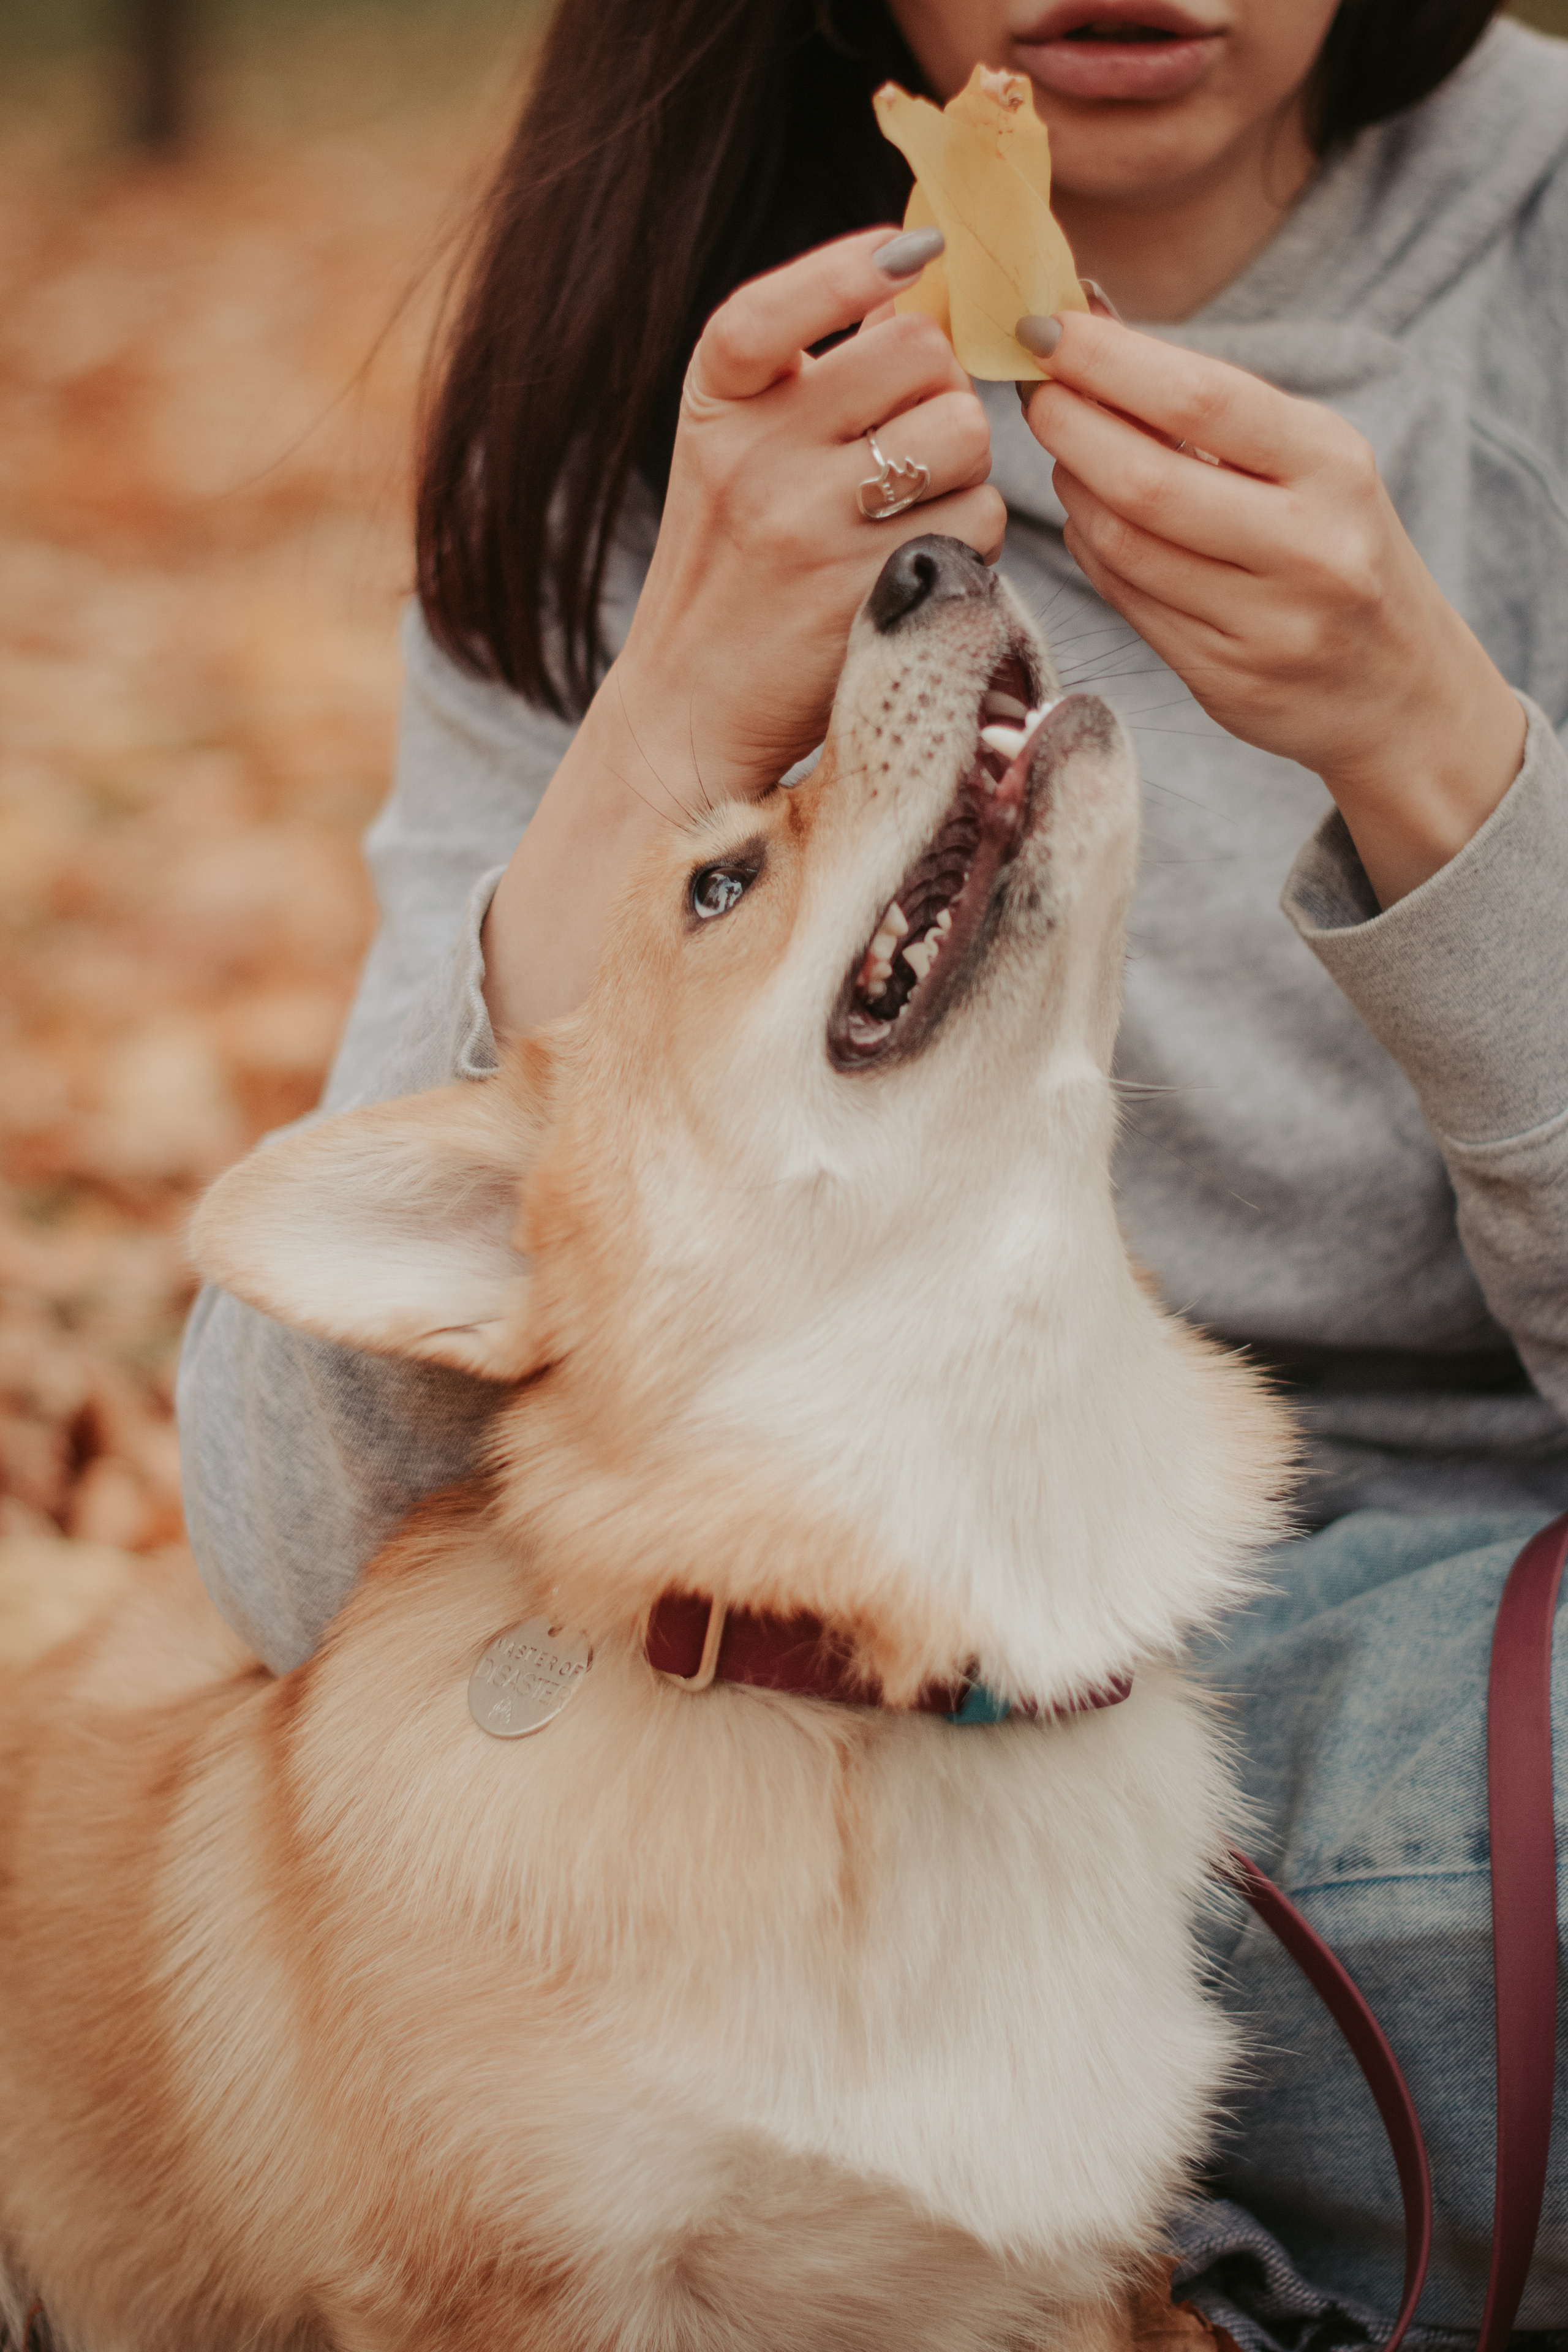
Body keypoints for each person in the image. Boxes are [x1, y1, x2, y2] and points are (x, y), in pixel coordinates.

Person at [177, 0, 1568, 2335]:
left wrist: (1430, 742)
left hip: (1431, 1653)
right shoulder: (655, 365)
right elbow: (292, 1538)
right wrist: (672, 717)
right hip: (787, 1734)